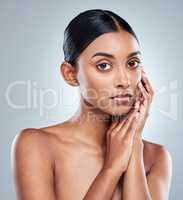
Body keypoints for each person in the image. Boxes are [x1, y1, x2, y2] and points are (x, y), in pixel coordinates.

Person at [11, 9, 172, 200]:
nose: (124, 80)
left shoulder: (156, 157)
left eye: (132, 63)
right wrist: (112, 169)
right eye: (104, 65)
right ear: (70, 74)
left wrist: (134, 145)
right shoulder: (36, 145)